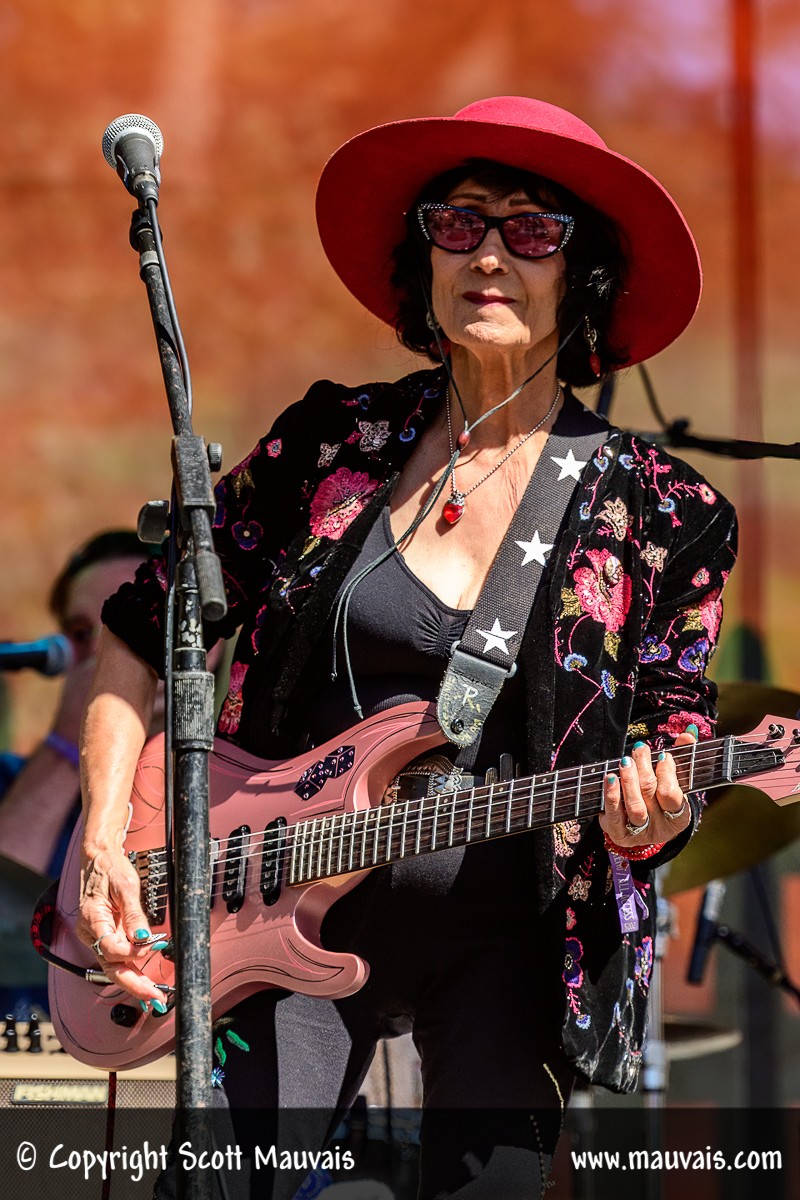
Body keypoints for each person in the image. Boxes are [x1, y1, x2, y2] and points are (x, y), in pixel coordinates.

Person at [76, 97, 737, 1199]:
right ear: (419, 256)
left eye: (531, 229)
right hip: (265, 910)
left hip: (507, 946)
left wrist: (653, 818)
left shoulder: (666, 510)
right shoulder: (333, 438)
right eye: (458, 221)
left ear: (582, 276)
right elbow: (144, 631)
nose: (488, 252)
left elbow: (671, 740)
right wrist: (103, 837)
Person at [0, 530, 161, 1018]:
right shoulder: (11, 779)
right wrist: (73, 740)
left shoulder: (241, 781)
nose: (106, 658)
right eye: (82, 634)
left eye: (129, 629)